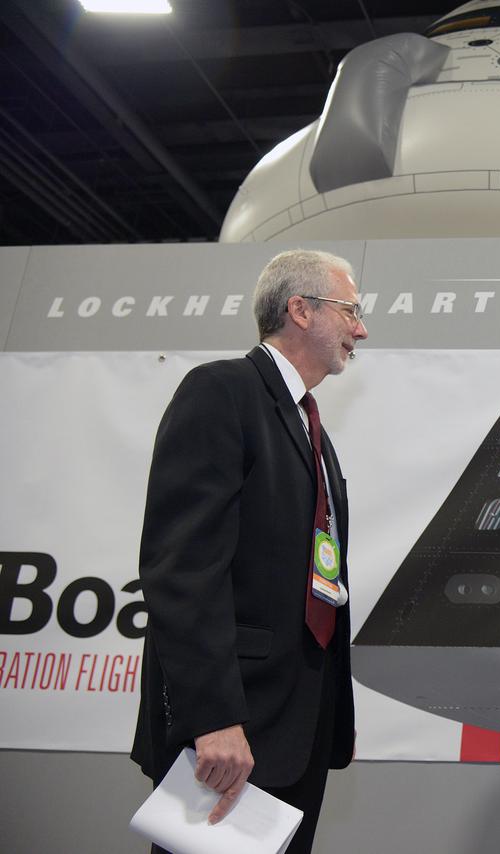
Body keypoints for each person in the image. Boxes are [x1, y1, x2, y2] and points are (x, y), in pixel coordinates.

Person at [131, 249, 369, 853]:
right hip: (231, 724)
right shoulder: (222, 391)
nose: (361, 329)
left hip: (298, 726)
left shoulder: (313, 429)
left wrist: (330, 711)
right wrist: (213, 717)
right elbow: (183, 569)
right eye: (351, 311)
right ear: (301, 310)